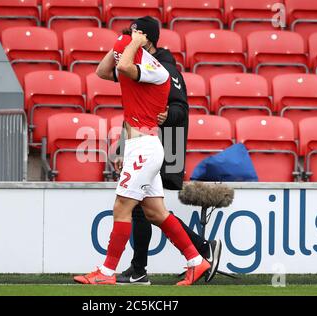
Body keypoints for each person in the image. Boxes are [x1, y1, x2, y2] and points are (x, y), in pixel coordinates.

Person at [74, 29, 210, 286]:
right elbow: (102, 72)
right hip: (143, 147)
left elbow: (124, 64)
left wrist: (134, 43)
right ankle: (196, 261)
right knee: (156, 212)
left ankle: (106, 272)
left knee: (121, 208)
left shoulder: (156, 70)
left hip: (144, 149)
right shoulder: (135, 67)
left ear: (144, 44)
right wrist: (118, 47)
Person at [112, 17, 222, 286]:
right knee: (150, 210)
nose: (132, 36)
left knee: (142, 209)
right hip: (142, 143)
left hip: (162, 144)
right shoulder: (140, 61)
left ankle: (144, 267)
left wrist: (167, 115)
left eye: (137, 32)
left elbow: (181, 110)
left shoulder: (166, 69)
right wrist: (121, 147)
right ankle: (197, 251)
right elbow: (134, 109)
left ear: (147, 38)